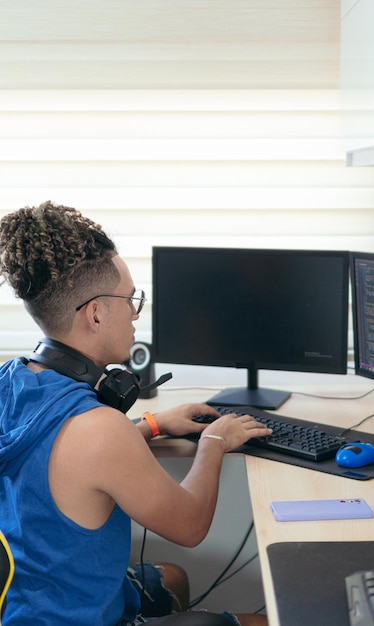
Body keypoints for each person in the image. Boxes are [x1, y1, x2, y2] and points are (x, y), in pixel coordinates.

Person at [0, 201, 271, 626]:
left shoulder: (10, 382)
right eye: (130, 300)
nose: (135, 315)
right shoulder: (98, 431)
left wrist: (152, 425)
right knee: (267, 621)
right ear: (95, 313)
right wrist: (215, 441)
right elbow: (191, 525)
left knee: (174, 578)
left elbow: (59, 459)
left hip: (25, 604)